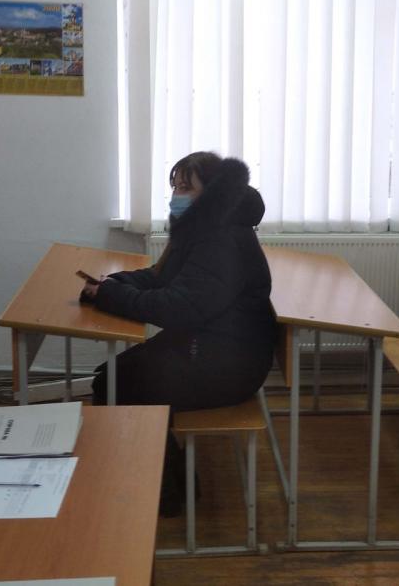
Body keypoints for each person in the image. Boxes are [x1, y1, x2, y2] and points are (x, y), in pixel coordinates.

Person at [82, 152, 276, 516]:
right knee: (114, 378)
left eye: (186, 187)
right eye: (175, 186)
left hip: (230, 365)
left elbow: (177, 307)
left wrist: (112, 296)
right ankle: (161, 478)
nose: (176, 195)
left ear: (213, 192)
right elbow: (162, 279)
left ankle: (163, 492)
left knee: (118, 384)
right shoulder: (204, 228)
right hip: (210, 345)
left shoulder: (222, 240)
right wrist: (112, 284)